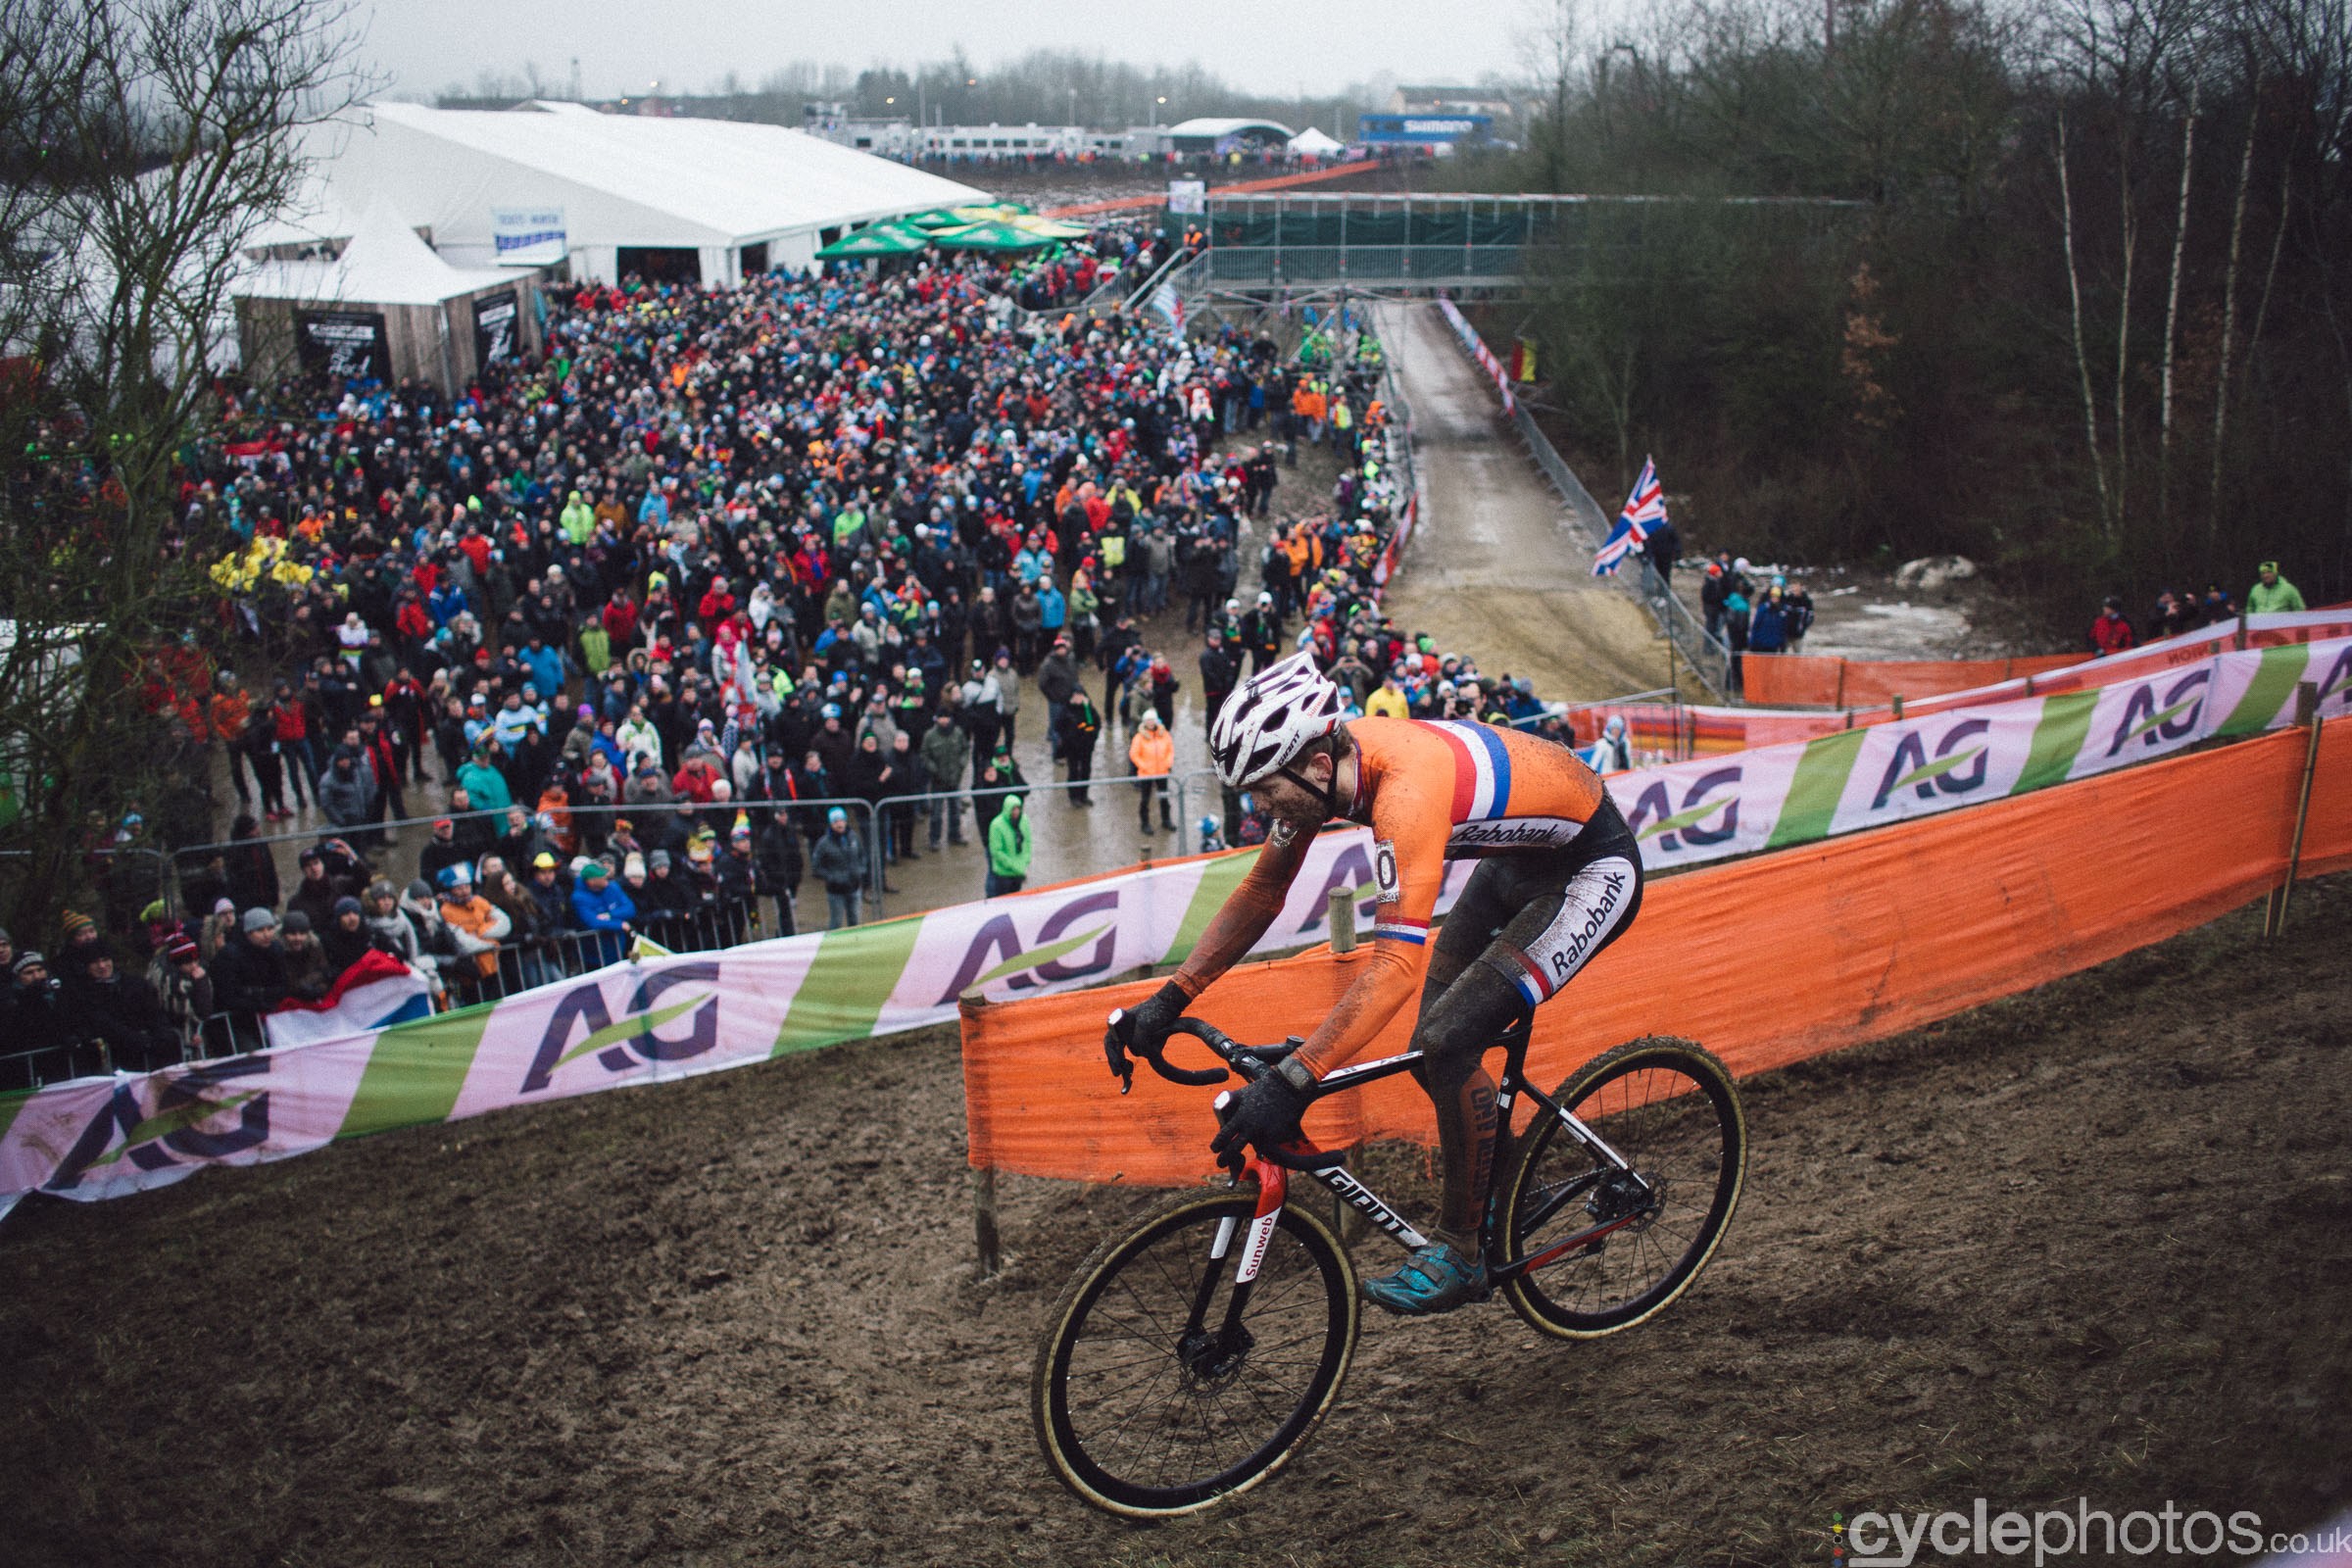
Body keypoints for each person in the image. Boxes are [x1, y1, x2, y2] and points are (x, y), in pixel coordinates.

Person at [1106, 653, 1642, 1317]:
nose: (1259, 807)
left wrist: (1294, 1079)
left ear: (1319, 766)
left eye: (1265, 789)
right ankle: (1509, 1192)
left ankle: (1461, 1250)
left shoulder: (1403, 793)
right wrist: (1169, 998)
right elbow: (1262, 889)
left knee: (1447, 1041)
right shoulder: (1320, 774)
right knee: (1433, 1044)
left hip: (1589, 870)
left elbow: (1392, 969)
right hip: (1517, 863)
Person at [810, 807, 866, 929]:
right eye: (836, 821)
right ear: (831, 824)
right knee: (836, 922)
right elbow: (816, 867)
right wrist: (832, 877)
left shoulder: (853, 838)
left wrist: (860, 871)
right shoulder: (823, 843)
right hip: (836, 891)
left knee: (855, 920)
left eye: (841, 820)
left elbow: (862, 856)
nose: (839, 824)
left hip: (854, 887)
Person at [1129, 709, 1175, 833]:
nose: (1150, 722)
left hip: (1162, 772)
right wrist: (1144, 766)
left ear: (1156, 721)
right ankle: (1145, 823)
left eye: (1152, 720)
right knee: (1145, 800)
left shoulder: (1164, 734)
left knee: (1164, 798)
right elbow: (1134, 754)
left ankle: (1166, 820)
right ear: (1144, 722)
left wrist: (1168, 763)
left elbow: (1170, 749)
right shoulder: (1139, 737)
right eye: (1148, 720)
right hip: (1146, 774)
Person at [986, 794, 1031, 898]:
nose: (1016, 812)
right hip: (1004, 873)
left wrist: (1025, 861)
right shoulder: (996, 825)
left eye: (1018, 808)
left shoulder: (1024, 820)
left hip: (1018, 871)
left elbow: (1027, 842)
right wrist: (1014, 866)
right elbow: (997, 851)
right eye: (1013, 809)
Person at [1063, 689, 1102, 806]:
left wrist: (1092, 736)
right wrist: (1069, 739)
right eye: (1076, 696)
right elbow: (1059, 726)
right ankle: (1073, 797)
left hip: (1087, 747)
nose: (1079, 698)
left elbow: (1097, 723)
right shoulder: (1067, 709)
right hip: (1072, 748)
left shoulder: (1089, 708)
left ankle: (1084, 795)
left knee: (1086, 770)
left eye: (1080, 695)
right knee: (1073, 771)